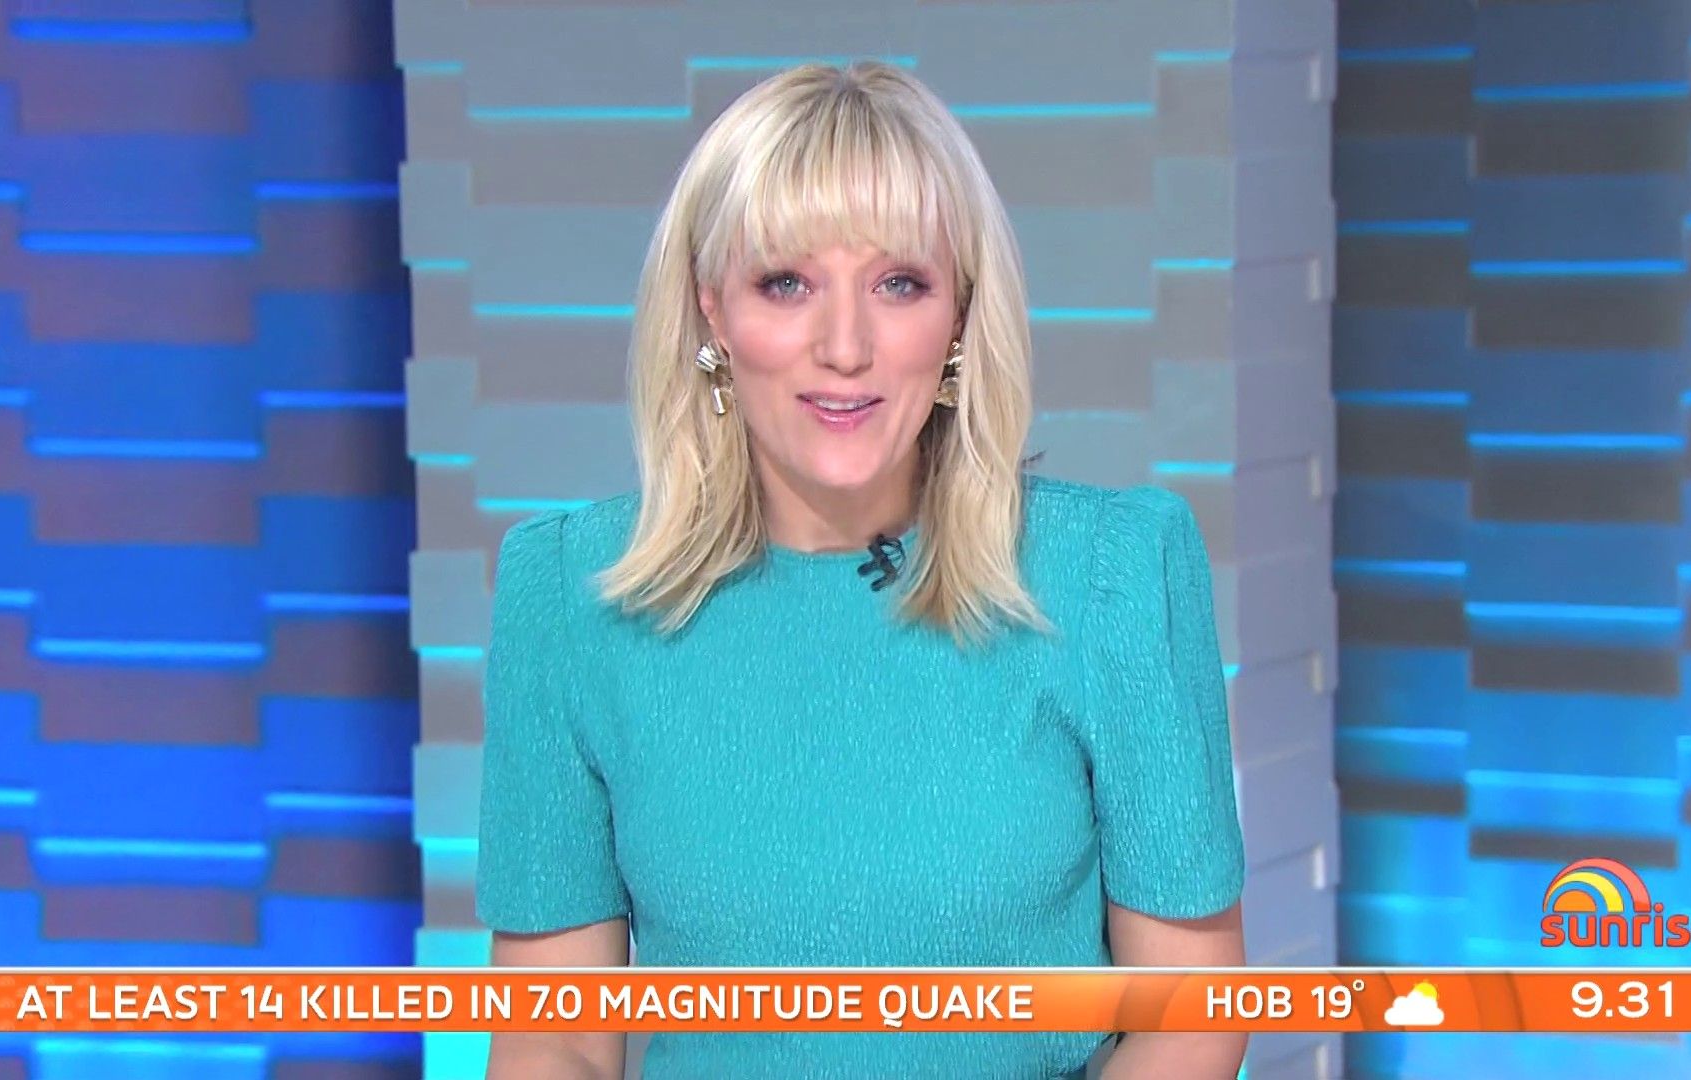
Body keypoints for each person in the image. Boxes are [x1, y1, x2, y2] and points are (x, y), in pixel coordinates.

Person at [476, 60, 1247, 1079]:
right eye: (785, 283)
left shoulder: (1115, 576)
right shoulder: (570, 598)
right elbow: (557, 1037)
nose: (845, 346)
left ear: (959, 313)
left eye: (899, 284)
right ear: (712, 312)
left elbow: (1191, 1016)